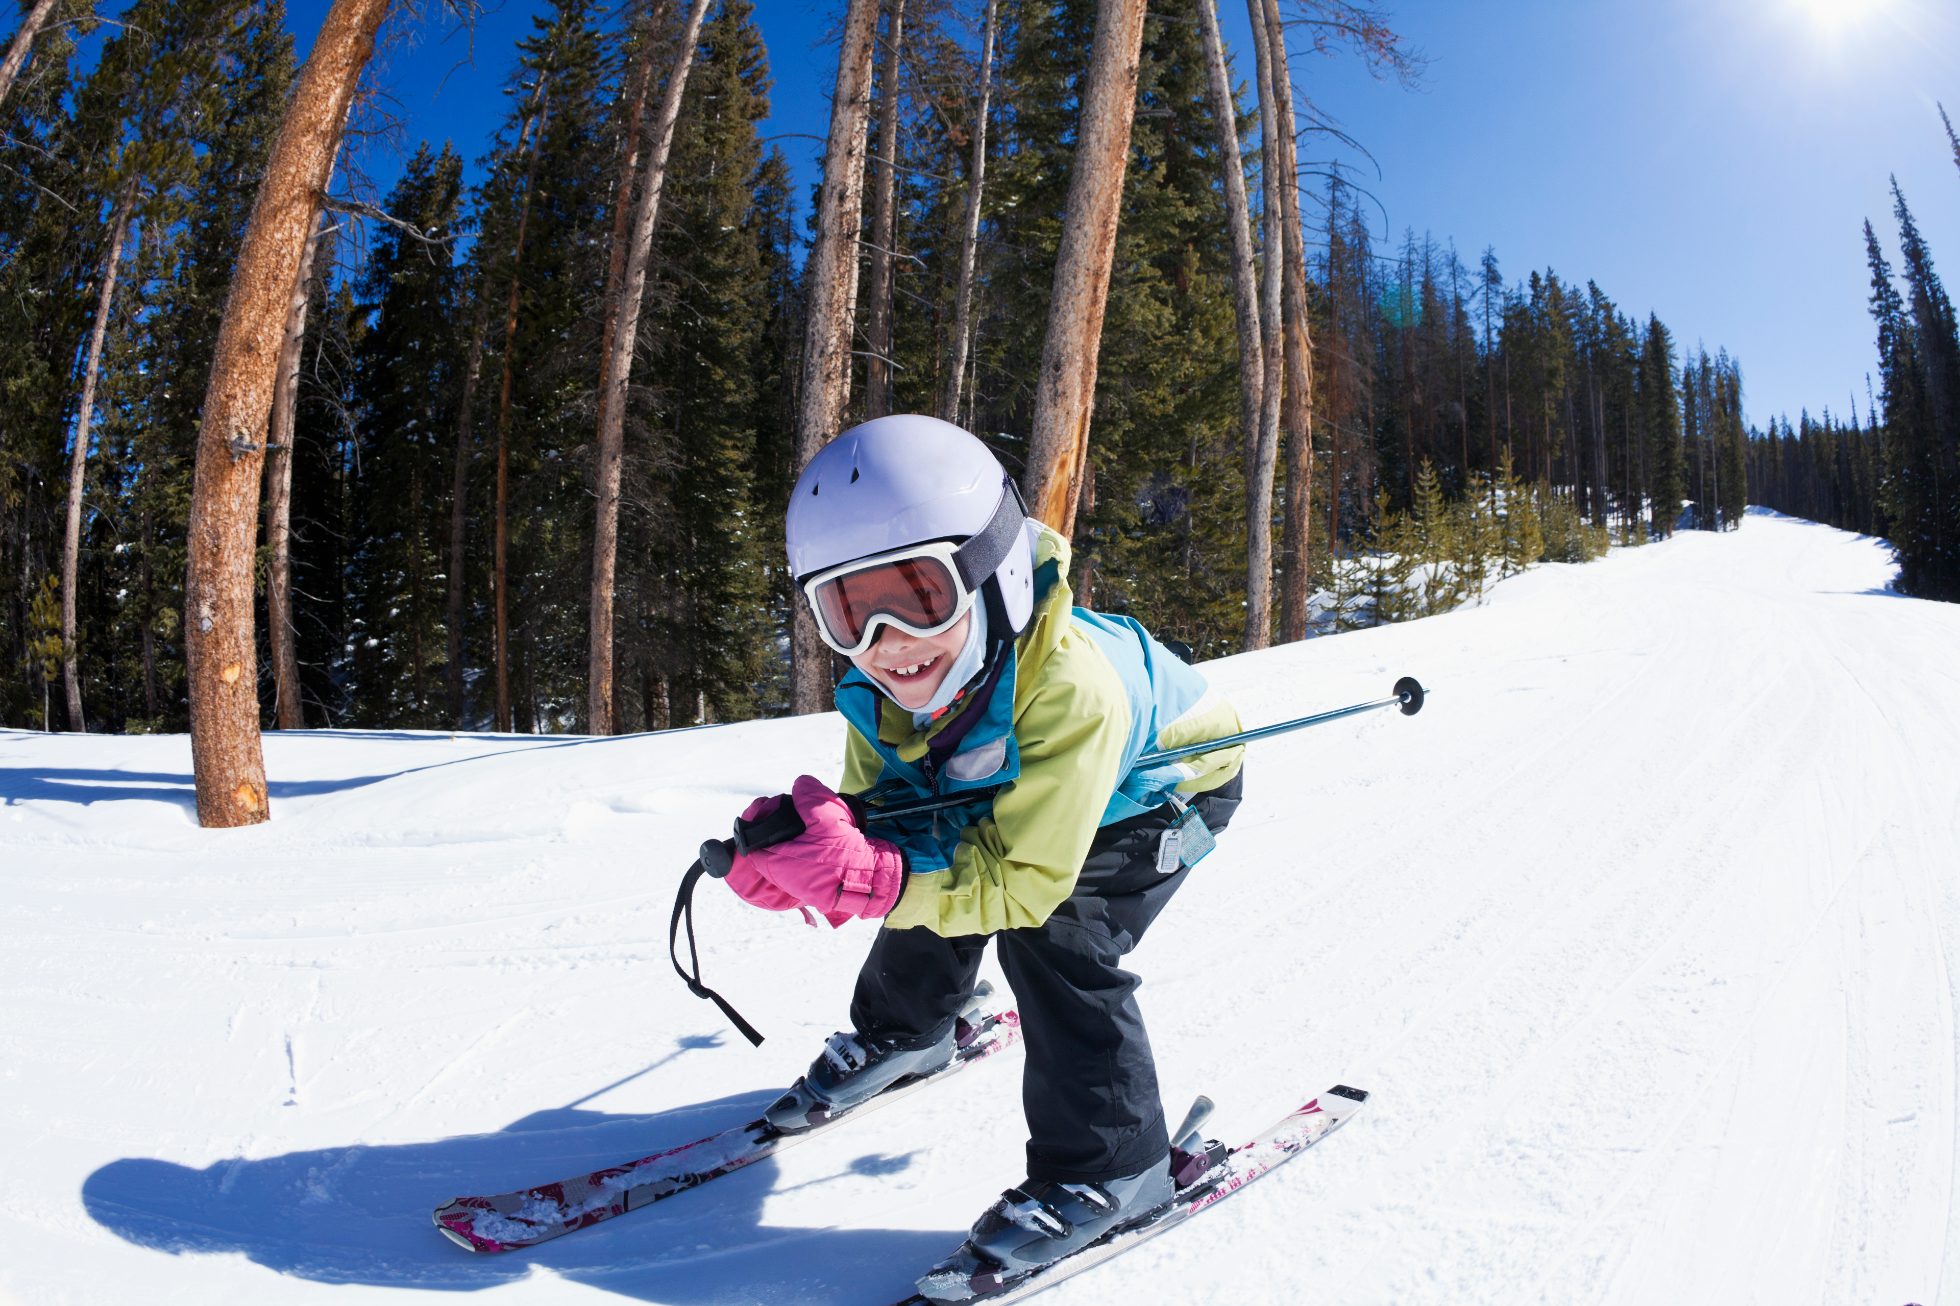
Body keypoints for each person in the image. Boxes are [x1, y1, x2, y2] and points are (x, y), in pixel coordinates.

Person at [722, 414, 1243, 1283]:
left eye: (916, 595)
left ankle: (1115, 1168)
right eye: (848, 610)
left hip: (1159, 796)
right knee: (919, 852)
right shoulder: (880, 690)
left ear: (990, 573)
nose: (888, 643)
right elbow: (888, 823)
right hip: (1036, 794)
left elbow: (1023, 884)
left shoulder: (1074, 691)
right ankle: (909, 1029)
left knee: (1058, 934)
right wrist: (802, 858)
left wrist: (878, 881)